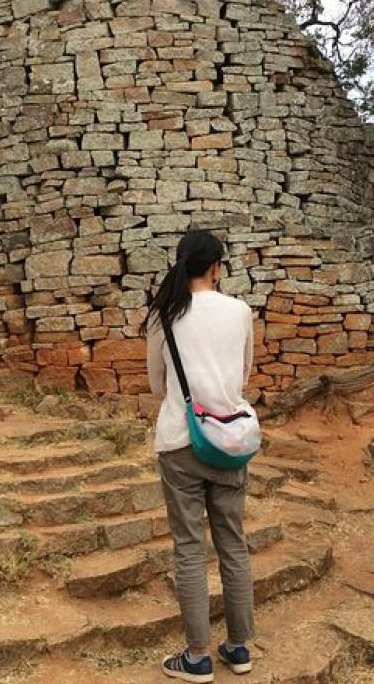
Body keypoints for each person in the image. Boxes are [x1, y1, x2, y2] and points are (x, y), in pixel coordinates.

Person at [145, 230, 256, 682]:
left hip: (180, 440)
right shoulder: (240, 312)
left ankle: (197, 656)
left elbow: (157, 385)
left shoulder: (164, 315)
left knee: (190, 547)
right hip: (230, 442)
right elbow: (244, 374)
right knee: (233, 540)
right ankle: (240, 647)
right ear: (216, 267)